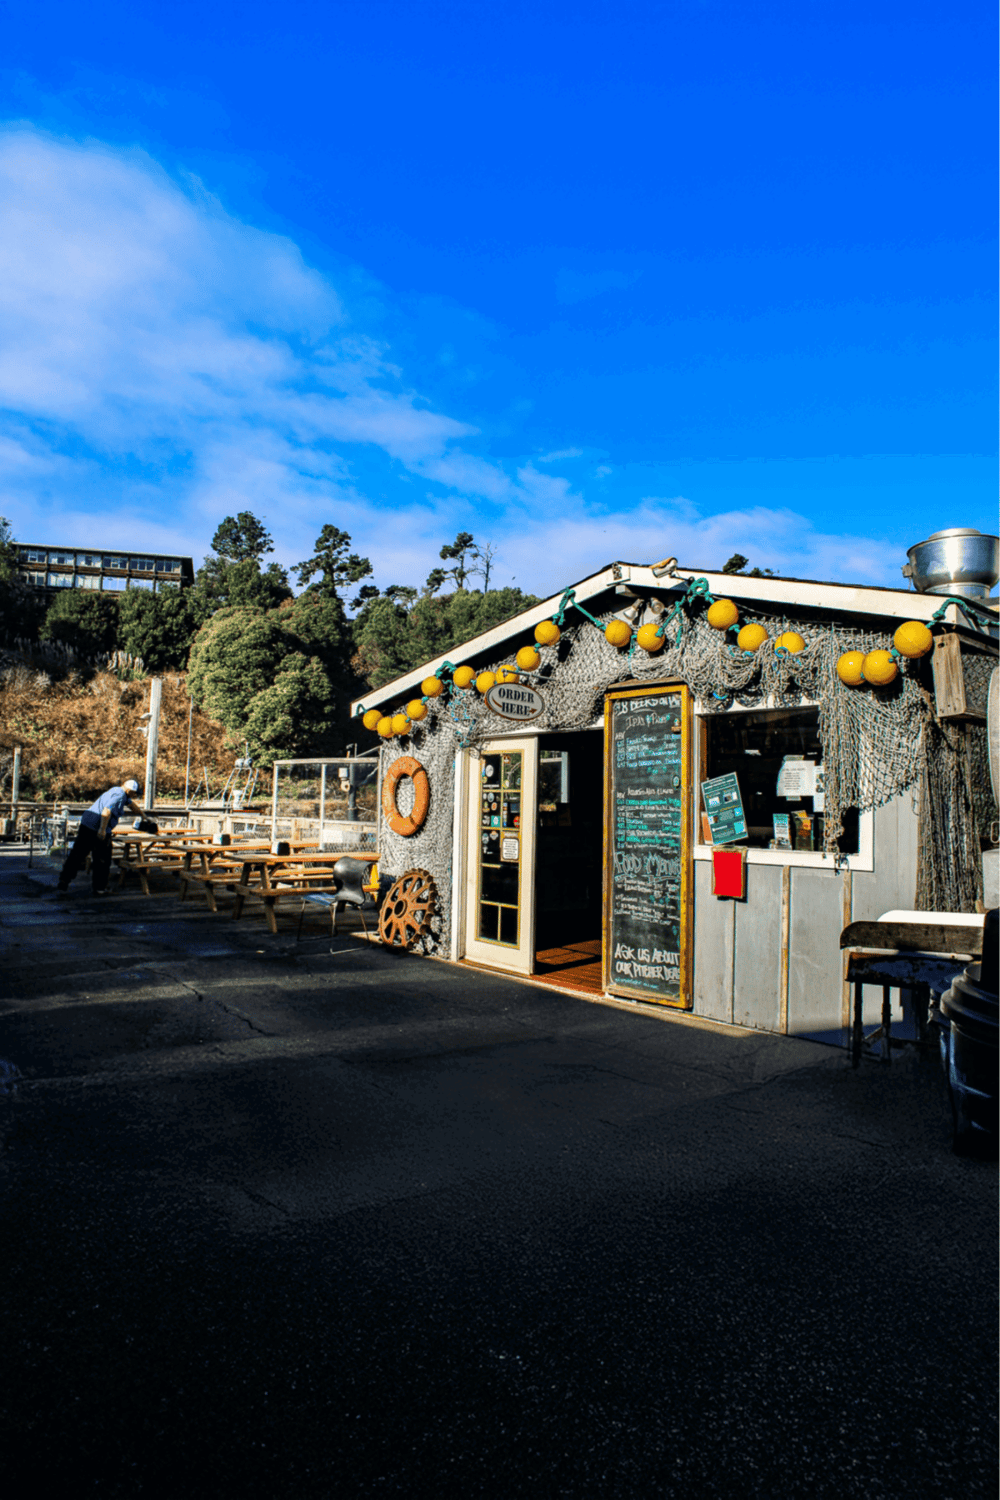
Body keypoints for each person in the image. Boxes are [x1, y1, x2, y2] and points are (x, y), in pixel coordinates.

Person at [56, 779, 146, 896]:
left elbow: (132, 806)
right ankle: (100, 889)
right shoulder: (119, 796)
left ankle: (63, 880)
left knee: (77, 854)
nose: (135, 795)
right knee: (102, 859)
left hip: (87, 824)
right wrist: (102, 830)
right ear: (129, 790)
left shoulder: (117, 791)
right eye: (134, 793)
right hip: (97, 827)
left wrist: (143, 815)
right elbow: (106, 811)